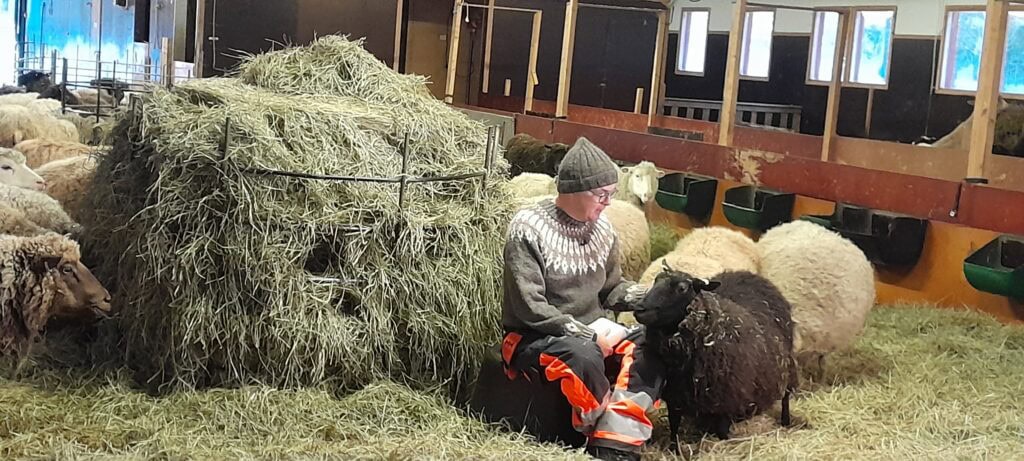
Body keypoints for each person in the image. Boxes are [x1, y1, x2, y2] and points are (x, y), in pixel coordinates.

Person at [500, 137, 665, 461]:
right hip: (536, 335)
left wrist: (652, 298)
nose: (608, 203)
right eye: (601, 195)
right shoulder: (528, 228)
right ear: (575, 190)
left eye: (611, 194)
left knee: (654, 344)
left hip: (594, 330)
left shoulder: (604, 230)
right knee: (584, 356)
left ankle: (614, 440)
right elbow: (529, 307)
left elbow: (611, 289)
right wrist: (586, 333)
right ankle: (597, 428)